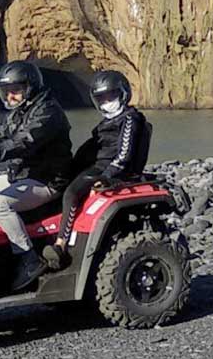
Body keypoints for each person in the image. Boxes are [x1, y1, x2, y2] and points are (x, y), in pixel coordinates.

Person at [0, 61, 72, 291]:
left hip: (48, 180)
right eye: (6, 91)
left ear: (30, 88)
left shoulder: (47, 112)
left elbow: (24, 141)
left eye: (15, 90)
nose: (10, 96)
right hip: (23, 174)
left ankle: (27, 257)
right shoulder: (21, 112)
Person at [43, 70, 149, 269]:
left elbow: (124, 154)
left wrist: (107, 176)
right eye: (101, 98)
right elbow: (90, 148)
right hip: (96, 166)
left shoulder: (129, 119)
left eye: (111, 96)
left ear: (123, 94)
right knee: (58, 184)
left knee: (71, 193)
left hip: (111, 170)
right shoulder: (106, 123)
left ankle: (61, 245)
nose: (106, 102)